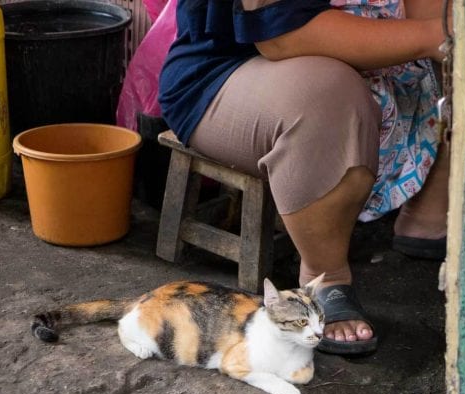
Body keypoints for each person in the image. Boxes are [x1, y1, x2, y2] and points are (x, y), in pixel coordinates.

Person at [158, 0, 450, 356]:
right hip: (231, 70)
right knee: (329, 97)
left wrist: (448, 31)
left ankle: (428, 210)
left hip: (387, 62)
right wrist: (437, 34)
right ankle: (325, 274)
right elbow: (281, 34)